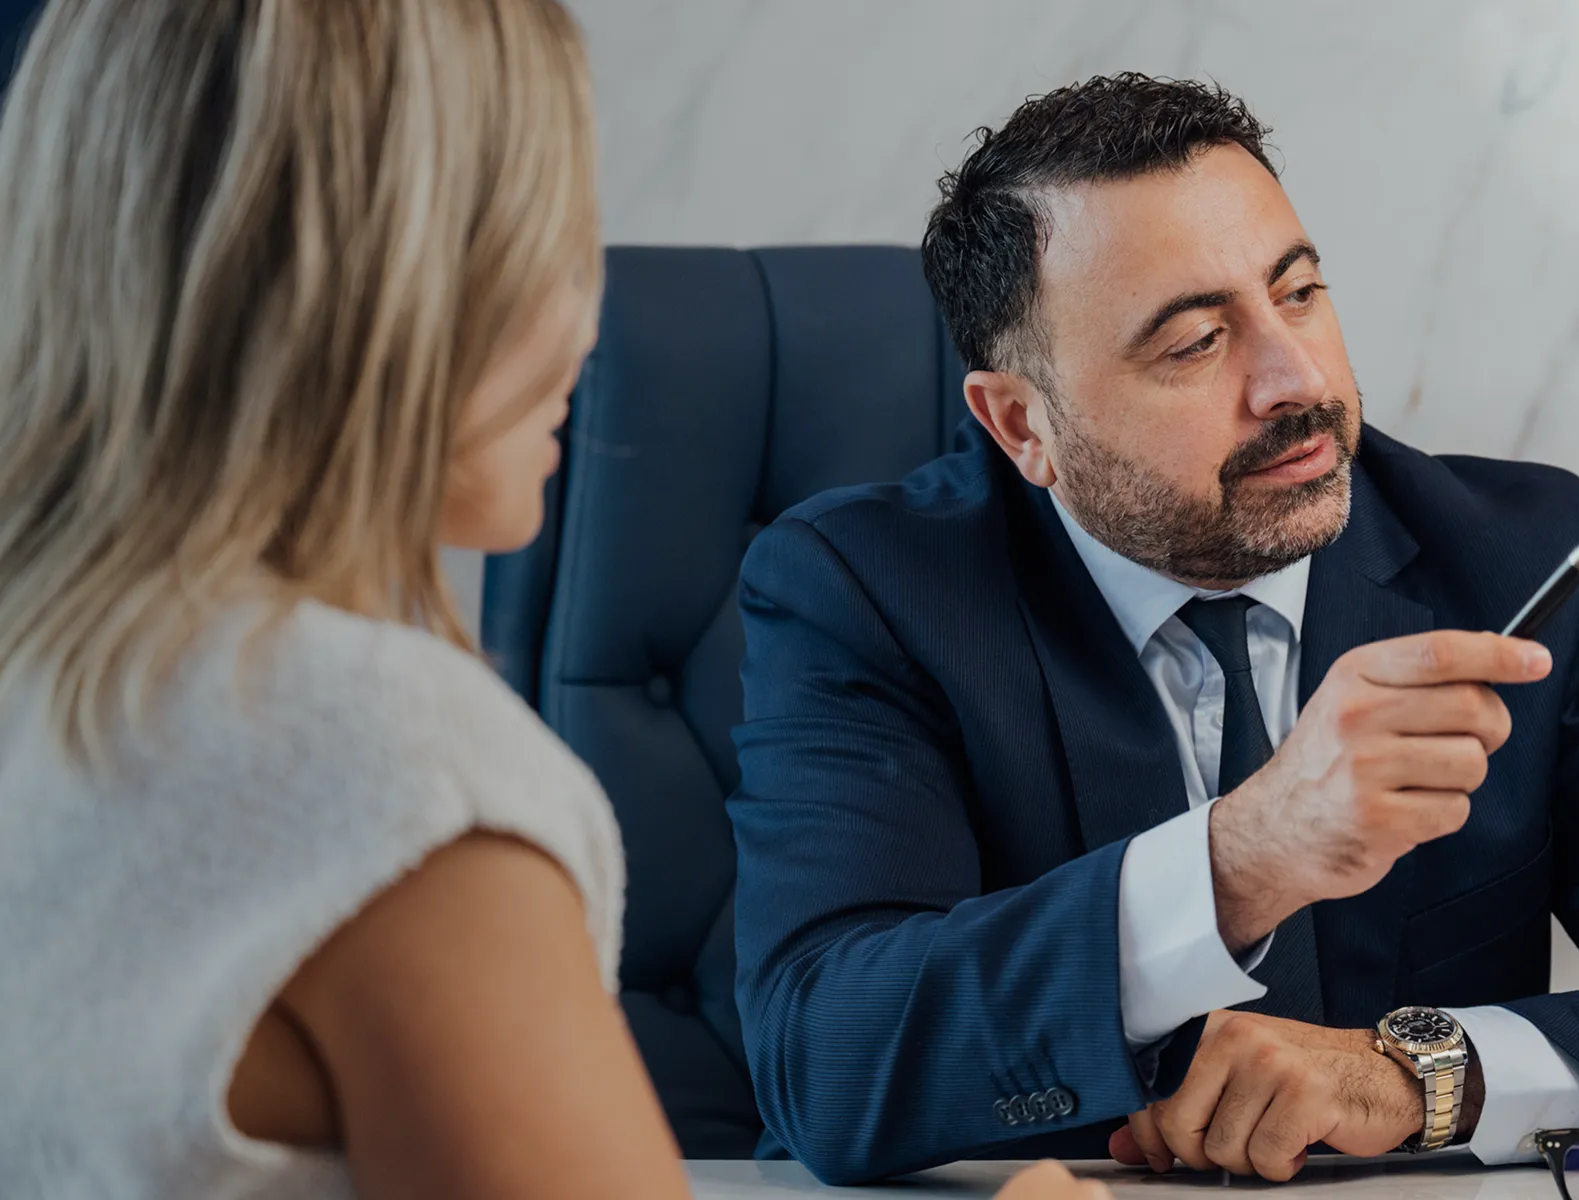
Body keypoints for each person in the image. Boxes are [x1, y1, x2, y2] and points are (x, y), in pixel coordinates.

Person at [0, 5, 1106, 1200]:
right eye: (545, 239)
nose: (585, 323)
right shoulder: (389, 768)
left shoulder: (48, 679)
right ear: (390, 282)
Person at [723, 74, 1579, 1185]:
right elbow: (823, 1058)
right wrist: (1242, 861)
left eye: (1297, 292)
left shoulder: (1514, 557)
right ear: (1022, 425)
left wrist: (1425, 1073)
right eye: (1195, 342)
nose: (1293, 377)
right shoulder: (867, 587)